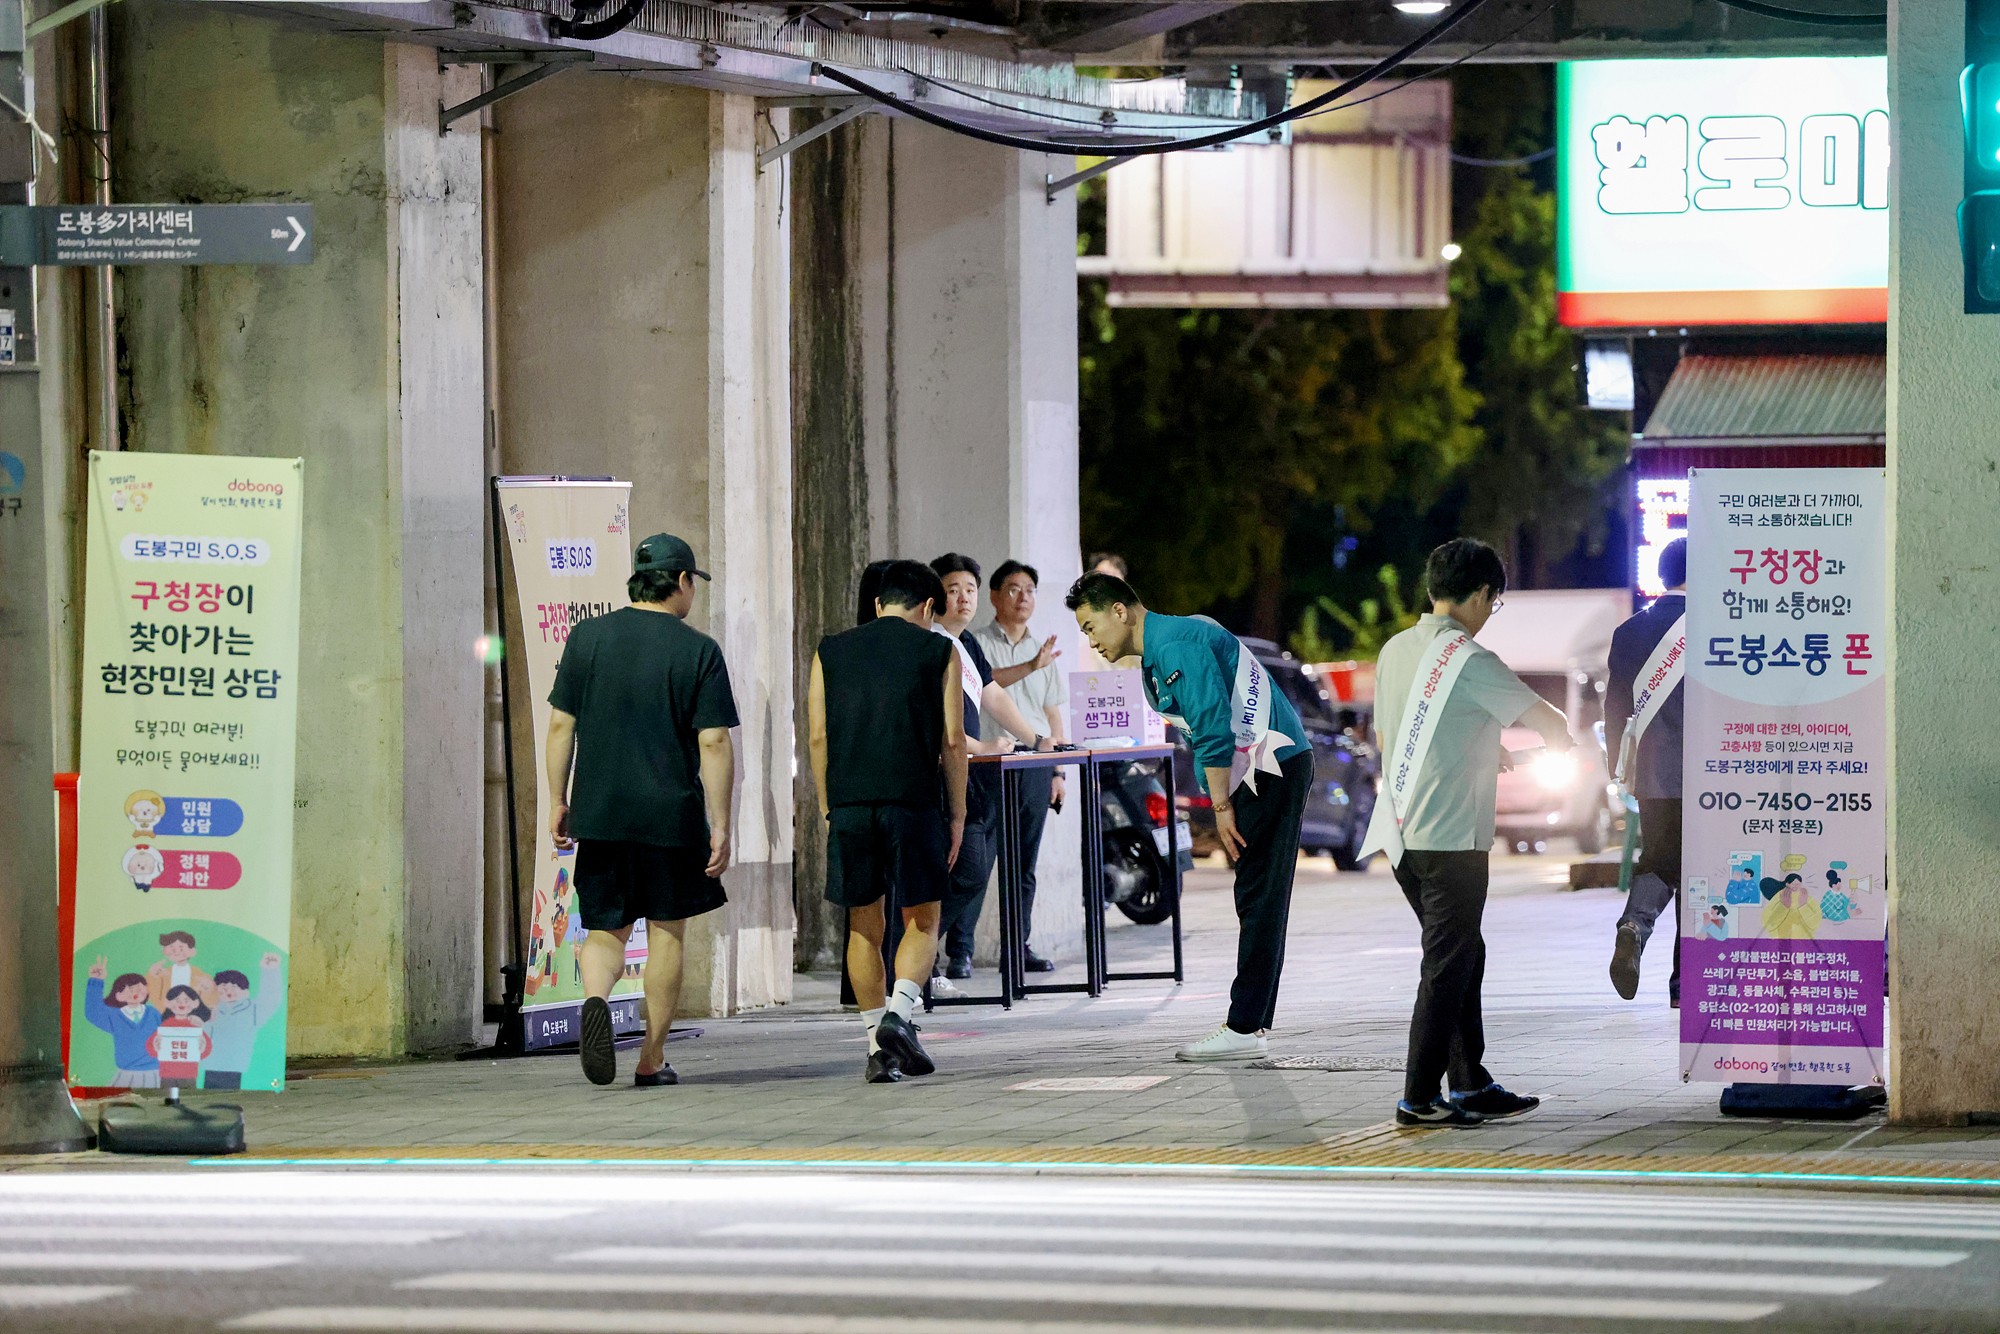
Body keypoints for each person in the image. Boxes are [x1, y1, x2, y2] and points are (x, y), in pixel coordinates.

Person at [1361, 538, 1577, 1127]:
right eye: (1494, 603)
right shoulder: (1470, 659)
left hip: (1402, 833)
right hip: (1452, 838)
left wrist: (1485, 747)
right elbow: (1549, 720)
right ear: (1481, 594)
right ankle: (1418, 1096)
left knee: (1462, 955)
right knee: (1448, 964)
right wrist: (1560, 744)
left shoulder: (1395, 651)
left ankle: (1469, 1082)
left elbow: (1397, 736)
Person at [1065, 572, 1313, 1061]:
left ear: (1120, 611)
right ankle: (1251, 1024)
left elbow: (1213, 728)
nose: (1090, 641)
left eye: (1091, 626)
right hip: (1257, 769)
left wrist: (1220, 807)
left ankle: (1244, 1029)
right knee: (1257, 895)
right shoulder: (1161, 651)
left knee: (1259, 896)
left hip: (1270, 766)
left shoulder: (1175, 644)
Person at [546, 532, 738, 1089]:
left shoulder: (587, 638)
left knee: (605, 927)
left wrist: (559, 799)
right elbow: (714, 742)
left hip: (600, 811)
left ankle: (596, 1000)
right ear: (682, 582)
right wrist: (721, 822)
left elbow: (562, 725)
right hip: (669, 816)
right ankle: (652, 1057)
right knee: (666, 932)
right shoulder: (697, 649)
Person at [810, 559, 968, 1082]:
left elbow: (817, 737)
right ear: (927, 607)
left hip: (851, 804)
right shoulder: (939, 649)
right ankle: (899, 1016)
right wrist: (959, 811)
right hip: (913, 800)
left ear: (878, 605)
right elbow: (952, 739)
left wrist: (827, 805)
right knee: (923, 917)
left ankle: (875, 1046)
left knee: (863, 925)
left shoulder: (829, 650)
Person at [929, 554, 1054, 986]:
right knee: (965, 870)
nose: (964, 598)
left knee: (973, 870)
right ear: (934, 596)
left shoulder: (965, 645)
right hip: (946, 776)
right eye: (953, 589)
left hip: (975, 771)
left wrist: (1035, 741)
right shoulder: (931, 643)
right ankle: (916, 957)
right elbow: (938, 724)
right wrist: (983, 744)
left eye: (970, 589)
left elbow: (993, 695)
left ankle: (917, 960)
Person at [972, 560, 1070, 972]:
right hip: (987, 763)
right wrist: (1031, 667)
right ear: (994, 596)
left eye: (1030, 588)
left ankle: (1018, 947)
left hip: (1033, 766)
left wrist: (1058, 771)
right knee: (976, 863)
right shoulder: (973, 643)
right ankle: (959, 953)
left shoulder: (1042, 649)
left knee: (1023, 864)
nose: (1024, 596)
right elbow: (985, 684)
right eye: (1013, 588)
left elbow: (1052, 716)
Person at [1607, 536, 1688, 1005]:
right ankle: (1686, 984)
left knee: (1659, 858)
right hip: (1717, 772)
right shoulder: (1723, 625)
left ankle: (1635, 926)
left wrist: (1620, 768)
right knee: (1705, 874)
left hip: (1655, 771)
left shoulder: (1629, 632)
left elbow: (1616, 707)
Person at [202, 953, 284, 1090]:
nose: (228, 991)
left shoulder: (252, 1010)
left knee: (231, 1095)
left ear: (245, 992)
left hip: (235, 1066)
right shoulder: (211, 1010)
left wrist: (270, 970)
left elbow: (271, 998)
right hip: (210, 1065)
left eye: (234, 987)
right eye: (223, 986)